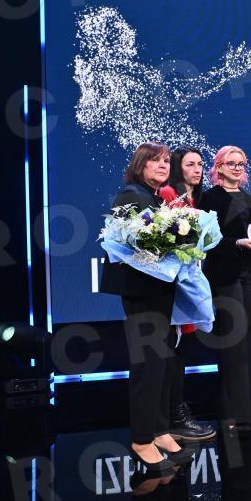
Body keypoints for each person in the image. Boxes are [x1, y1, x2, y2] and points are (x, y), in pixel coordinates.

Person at [99, 142, 191, 470]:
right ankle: (141, 439)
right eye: (156, 161)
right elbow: (133, 244)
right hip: (142, 295)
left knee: (162, 363)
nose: (164, 165)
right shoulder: (130, 195)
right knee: (147, 366)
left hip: (159, 291)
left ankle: (160, 430)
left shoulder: (153, 197)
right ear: (140, 165)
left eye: (166, 161)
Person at [198, 145, 251, 433]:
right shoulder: (209, 198)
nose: (237, 168)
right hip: (225, 276)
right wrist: (237, 243)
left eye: (241, 164)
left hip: (250, 275)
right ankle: (231, 413)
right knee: (233, 342)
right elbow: (207, 240)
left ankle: (249, 413)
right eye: (231, 163)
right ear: (219, 167)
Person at [158, 146, 216, 442]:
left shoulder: (194, 199)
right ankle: (172, 417)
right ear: (178, 167)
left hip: (189, 283)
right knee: (173, 354)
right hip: (175, 287)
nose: (197, 170)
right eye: (190, 164)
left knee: (180, 354)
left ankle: (175, 413)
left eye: (200, 164)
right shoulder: (169, 194)